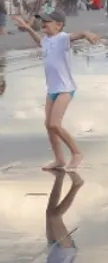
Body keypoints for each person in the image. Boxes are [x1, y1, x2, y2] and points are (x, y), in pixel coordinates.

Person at [11, 11, 101, 171]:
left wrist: (87, 33)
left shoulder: (62, 38)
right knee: (48, 125)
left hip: (65, 89)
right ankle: (59, 160)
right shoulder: (47, 40)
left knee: (55, 124)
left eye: (47, 21)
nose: (43, 23)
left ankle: (77, 153)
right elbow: (39, 41)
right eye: (42, 21)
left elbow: (76, 35)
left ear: (59, 25)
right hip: (52, 89)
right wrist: (28, 28)